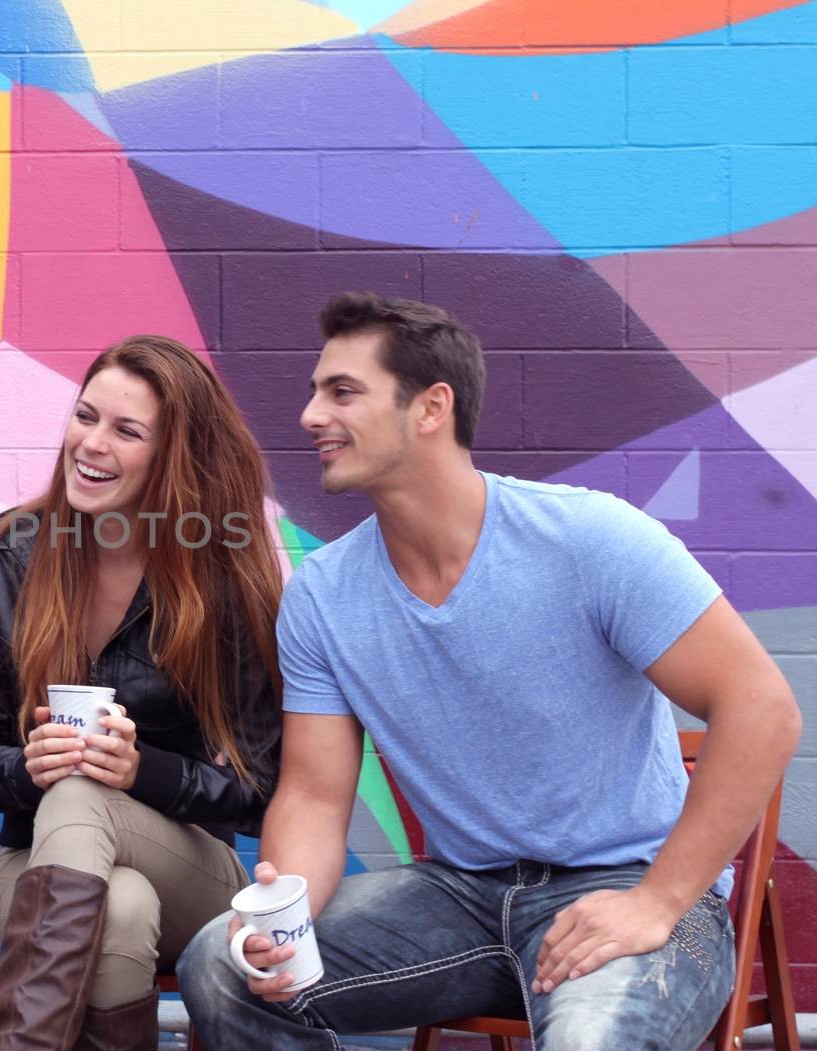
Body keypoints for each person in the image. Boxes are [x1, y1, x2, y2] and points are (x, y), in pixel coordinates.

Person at [176, 293, 803, 1050]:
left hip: (629, 886)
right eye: (315, 392)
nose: (310, 415)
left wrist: (660, 897)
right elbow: (311, 794)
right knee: (220, 960)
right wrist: (283, 922)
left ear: (430, 407)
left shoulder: (587, 539)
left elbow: (762, 708)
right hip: (459, 900)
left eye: (342, 391)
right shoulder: (323, 593)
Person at [0, 335, 285, 1050]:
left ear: (173, 456)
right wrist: (23, 766)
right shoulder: (14, 553)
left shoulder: (221, 580)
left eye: (126, 430)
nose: (91, 443)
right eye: (85, 415)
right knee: (120, 906)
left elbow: (259, 786)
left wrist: (143, 772)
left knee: (83, 796)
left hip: (190, 868)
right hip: (32, 862)